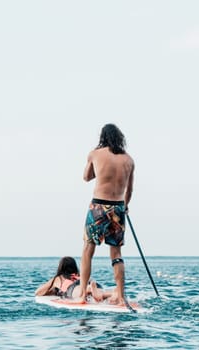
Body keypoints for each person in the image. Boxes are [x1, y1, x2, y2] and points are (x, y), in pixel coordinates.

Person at [77, 123, 135, 306]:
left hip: (99, 207)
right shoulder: (129, 160)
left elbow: (86, 177)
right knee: (116, 253)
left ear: (103, 137)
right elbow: (130, 190)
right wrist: (125, 206)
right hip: (118, 208)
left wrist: (99, 168)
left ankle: (81, 294)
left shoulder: (95, 154)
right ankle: (120, 294)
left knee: (88, 249)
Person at [35, 256, 112, 302]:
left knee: (79, 292)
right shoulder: (80, 275)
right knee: (101, 292)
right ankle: (113, 293)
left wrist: (51, 291)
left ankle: (90, 289)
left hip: (73, 287)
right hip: (87, 281)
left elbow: (38, 292)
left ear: (61, 267)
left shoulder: (59, 278)